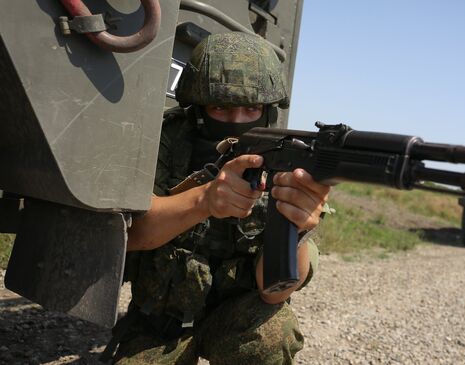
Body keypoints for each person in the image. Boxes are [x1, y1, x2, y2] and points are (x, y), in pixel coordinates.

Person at [104, 32, 330, 365]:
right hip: (159, 325)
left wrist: (297, 229)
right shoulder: (163, 142)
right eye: (220, 108)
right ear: (197, 110)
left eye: (251, 109)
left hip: (236, 323)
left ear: (267, 112)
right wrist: (204, 200)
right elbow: (130, 236)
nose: (236, 123)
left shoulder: (285, 166)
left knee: (272, 335)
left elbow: (273, 291)